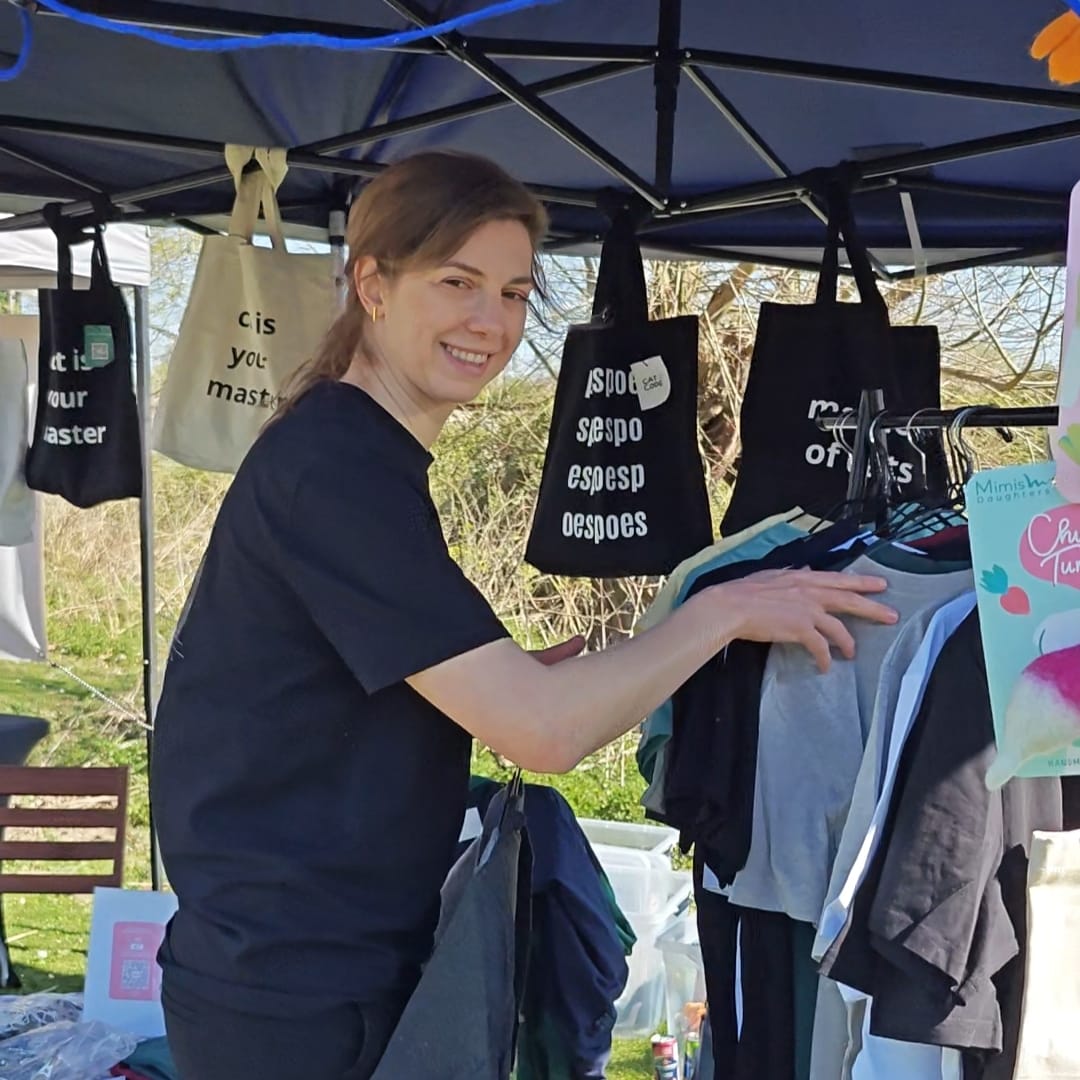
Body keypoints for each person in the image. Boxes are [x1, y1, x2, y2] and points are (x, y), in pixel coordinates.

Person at [149, 150, 897, 1080]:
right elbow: (542, 735)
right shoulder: (337, 470)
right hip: (293, 994)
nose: (490, 321)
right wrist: (728, 607)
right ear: (372, 283)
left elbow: (343, 686)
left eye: (513, 292)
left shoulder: (357, 455)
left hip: (316, 967)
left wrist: (483, 690)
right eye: (457, 282)